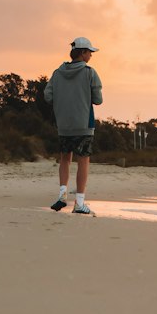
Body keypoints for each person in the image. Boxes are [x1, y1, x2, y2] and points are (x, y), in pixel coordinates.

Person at [44, 37, 103, 215]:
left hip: (63, 124)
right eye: (89, 52)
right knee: (83, 160)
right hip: (84, 123)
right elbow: (98, 100)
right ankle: (79, 202)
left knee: (65, 158)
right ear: (83, 53)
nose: (91, 56)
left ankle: (62, 195)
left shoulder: (57, 73)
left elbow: (48, 96)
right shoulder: (89, 72)